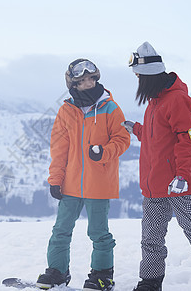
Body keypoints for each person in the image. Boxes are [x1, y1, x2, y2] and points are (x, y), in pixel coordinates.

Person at [121, 42, 191, 291]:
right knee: (150, 240)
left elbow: (188, 141)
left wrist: (182, 175)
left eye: (138, 75)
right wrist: (136, 129)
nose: (137, 80)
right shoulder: (154, 103)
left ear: (149, 75)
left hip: (181, 186)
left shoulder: (178, 101)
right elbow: (158, 138)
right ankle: (149, 283)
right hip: (154, 187)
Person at [36, 59, 130, 291]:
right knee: (60, 231)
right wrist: (55, 179)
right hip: (70, 184)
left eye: (92, 78)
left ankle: (101, 275)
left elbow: (122, 139)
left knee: (98, 233)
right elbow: (59, 149)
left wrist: (104, 152)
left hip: (98, 183)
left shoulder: (110, 107)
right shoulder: (66, 111)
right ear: (73, 84)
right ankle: (57, 272)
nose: (89, 83)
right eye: (82, 80)